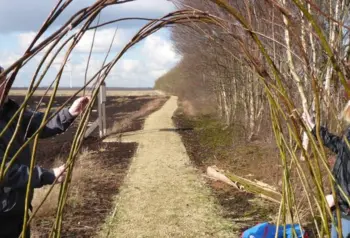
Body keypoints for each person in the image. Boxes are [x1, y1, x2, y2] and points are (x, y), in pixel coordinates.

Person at [0, 65, 90, 237]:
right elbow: (5, 172)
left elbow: (38, 123)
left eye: (5, 81)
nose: (6, 87)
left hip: (16, 205)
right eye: (1, 83)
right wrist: (49, 175)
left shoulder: (8, 111)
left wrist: (69, 113)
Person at [303, 105, 350, 238]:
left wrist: (338, 198)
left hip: (346, 210)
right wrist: (315, 129)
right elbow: (339, 145)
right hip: (340, 208)